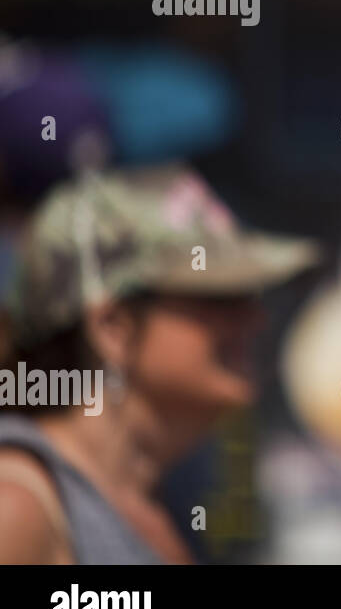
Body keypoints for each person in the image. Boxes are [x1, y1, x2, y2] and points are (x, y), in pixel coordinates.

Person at [0, 164, 318, 563]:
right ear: (111, 327)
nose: (256, 318)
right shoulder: (20, 508)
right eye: (219, 297)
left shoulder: (164, 498)